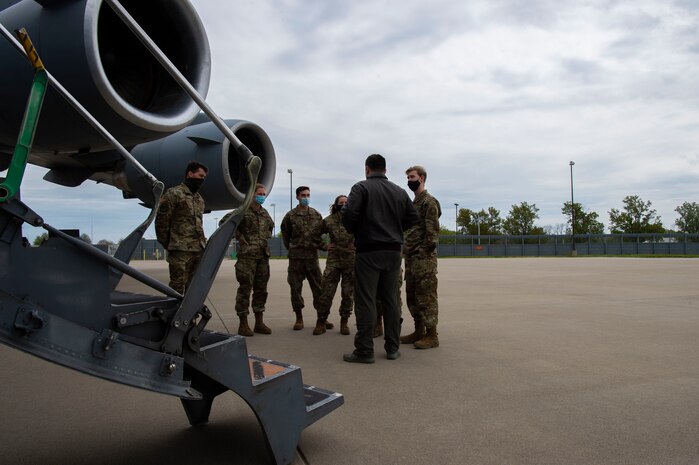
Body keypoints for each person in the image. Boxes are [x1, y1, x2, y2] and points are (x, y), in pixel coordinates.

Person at [341, 154, 420, 363]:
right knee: (391, 300)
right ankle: (392, 348)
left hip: (369, 250)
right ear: (385, 170)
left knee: (366, 300)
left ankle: (365, 350)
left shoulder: (361, 188)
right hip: (394, 251)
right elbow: (413, 217)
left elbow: (348, 215)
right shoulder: (399, 191)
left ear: (367, 168)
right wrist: (394, 230)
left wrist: (359, 230)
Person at [219, 183, 274, 337]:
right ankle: (243, 324)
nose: (262, 196)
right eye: (260, 193)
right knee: (245, 290)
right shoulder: (242, 211)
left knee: (261, 290)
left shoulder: (265, 214)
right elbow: (224, 222)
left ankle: (259, 322)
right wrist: (239, 237)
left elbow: (270, 228)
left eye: (264, 194)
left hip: (263, 257)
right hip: (247, 258)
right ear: (252, 194)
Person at [401, 165, 442, 349]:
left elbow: (432, 234)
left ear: (422, 178)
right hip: (411, 259)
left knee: (426, 297)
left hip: (423, 260)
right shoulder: (414, 202)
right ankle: (419, 330)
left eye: (412, 177)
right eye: (408, 178)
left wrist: (422, 254)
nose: (409, 180)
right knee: (412, 296)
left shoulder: (429, 202)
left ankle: (432, 335)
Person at [281, 186, 331, 331]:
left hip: (312, 258)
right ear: (297, 197)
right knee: (296, 289)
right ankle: (299, 319)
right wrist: (294, 248)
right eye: (303, 195)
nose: (306, 197)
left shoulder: (316, 215)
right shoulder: (290, 216)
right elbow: (286, 236)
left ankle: (322, 318)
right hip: (296, 258)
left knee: (319, 289)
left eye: (308, 195)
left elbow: (319, 235)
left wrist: (323, 246)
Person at [155, 161, 208, 294]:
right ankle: (174, 314)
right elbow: (162, 221)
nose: (202, 179)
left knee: (194, 290)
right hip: (180, 250)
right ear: (190, 174)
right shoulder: (173, 194)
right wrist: (169, 243)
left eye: (204, 177)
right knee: (177, 288)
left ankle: (190, 315)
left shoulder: (199, 199)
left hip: (198, 250)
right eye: (200, 176)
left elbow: (199, 225)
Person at [315, 195, 355, 336]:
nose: (344, 205)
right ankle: (321, 321)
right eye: (341, 203)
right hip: (334, 261)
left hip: (350, 262)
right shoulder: (329, 221)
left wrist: (356, 245)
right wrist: (324, 246)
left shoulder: (354, 220)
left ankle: (344, 322)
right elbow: (315, 234)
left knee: (347, 294)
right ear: (336, 204)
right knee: (326, 292)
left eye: (346, 203)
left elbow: (365, 234)